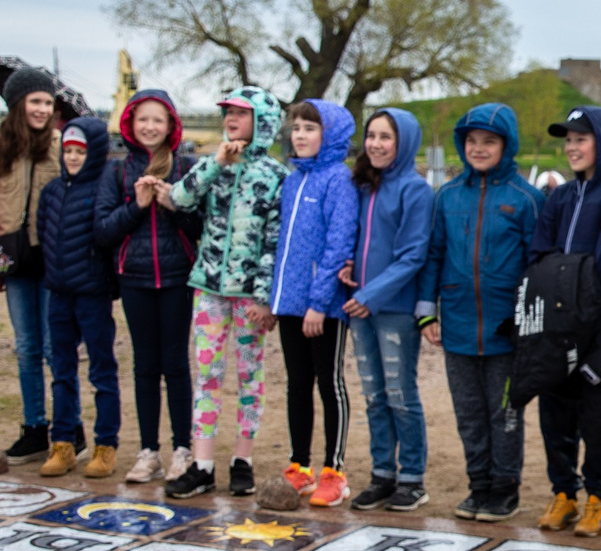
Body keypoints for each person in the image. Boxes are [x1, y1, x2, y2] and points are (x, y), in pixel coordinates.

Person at [160, 87, 286, 499]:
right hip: (209, 288)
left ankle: (242, 461)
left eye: (241, 113)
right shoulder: (212, 164)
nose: (231, 119)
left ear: (263, 122)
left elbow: (274, 242)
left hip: (250, 296)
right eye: (228, 112)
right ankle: (203, 465)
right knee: (208, 375)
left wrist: (264, 297)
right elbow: (178, 199)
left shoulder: (276, 176)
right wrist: (216, 163)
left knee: (250, 376)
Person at [424, 102, 542, 522]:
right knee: (469, 414)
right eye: (471, 140)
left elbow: (537, 267)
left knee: (504, 413)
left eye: (489, 141)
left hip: (506, 331)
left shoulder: (528, 199)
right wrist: (427, 312)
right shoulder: (447, 196)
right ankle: (478, 485)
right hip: (457, 325)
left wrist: (527, 323)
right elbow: (433, 256)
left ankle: (504, 489)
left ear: (506, 145)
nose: (478, 148)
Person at [532, 106, 601, 536]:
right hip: (555, 329)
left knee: (599, 416)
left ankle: (599, 498)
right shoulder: (559, 197)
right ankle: (563, 492)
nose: (572, 147)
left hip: (597, 329)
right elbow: (539, 253)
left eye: (581, 139)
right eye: (568, 140)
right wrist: (559, 277)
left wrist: (562, 274)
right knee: (555, 412)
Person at [97, 87, 202, 486]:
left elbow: (201, 226)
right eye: (143, 119)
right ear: (130, 123)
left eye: (158, 119)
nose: (150, 126)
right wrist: (137, 206)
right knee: (144, 366)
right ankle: (148, 451)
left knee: (176, 364)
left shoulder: (186, 167)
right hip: (135, 278)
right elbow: (103, 230)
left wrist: (174, 205)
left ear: (171, 124)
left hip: (177, 277)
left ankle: (183, 449)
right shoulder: (117, 171)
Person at [341, 107, 433, 511]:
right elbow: (357, 238)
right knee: (373, 395)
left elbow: (413, 256)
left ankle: (412, 478)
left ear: (404, 142)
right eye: (371, 136)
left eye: (385, 137)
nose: (375, 144)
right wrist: (348, 266)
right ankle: (382, 473)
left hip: (393, 309)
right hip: (359, 307)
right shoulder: (364, 186)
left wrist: (370, 295)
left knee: (400, 394)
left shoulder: (416, 190)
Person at [269, 98, 358, 506]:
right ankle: (299, 466)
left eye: (310, 128)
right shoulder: (292, 181)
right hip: (290, 303)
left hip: (324, 307)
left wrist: (320, 302)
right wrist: (277, 299)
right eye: (296, 127)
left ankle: (334, 471)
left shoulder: (339, 180)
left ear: (330, 134)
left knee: (329, 383)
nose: (300, 135)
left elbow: (339, 244)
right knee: (297, 384)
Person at [34, 115, 123, 480]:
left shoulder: (104, 189)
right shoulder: (52, 191)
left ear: (95, 152)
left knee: (102, 371)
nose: (72, 157)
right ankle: (63, 442)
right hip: (58, 294)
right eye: (68, 150)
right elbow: (43, 232)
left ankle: (106, 445)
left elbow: (110, 237)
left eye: (80, 151)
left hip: (93, 295)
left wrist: (107, 282)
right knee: (61, 371)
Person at [0, 66, 65, 462]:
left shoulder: (62, 147)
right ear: (18, 104)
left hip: (51, 259)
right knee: (27, 347)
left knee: (53, 346)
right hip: (15, 261)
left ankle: (68, 427)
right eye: (35, 101)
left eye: (48, 102)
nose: (42, 109)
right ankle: (34, 427)